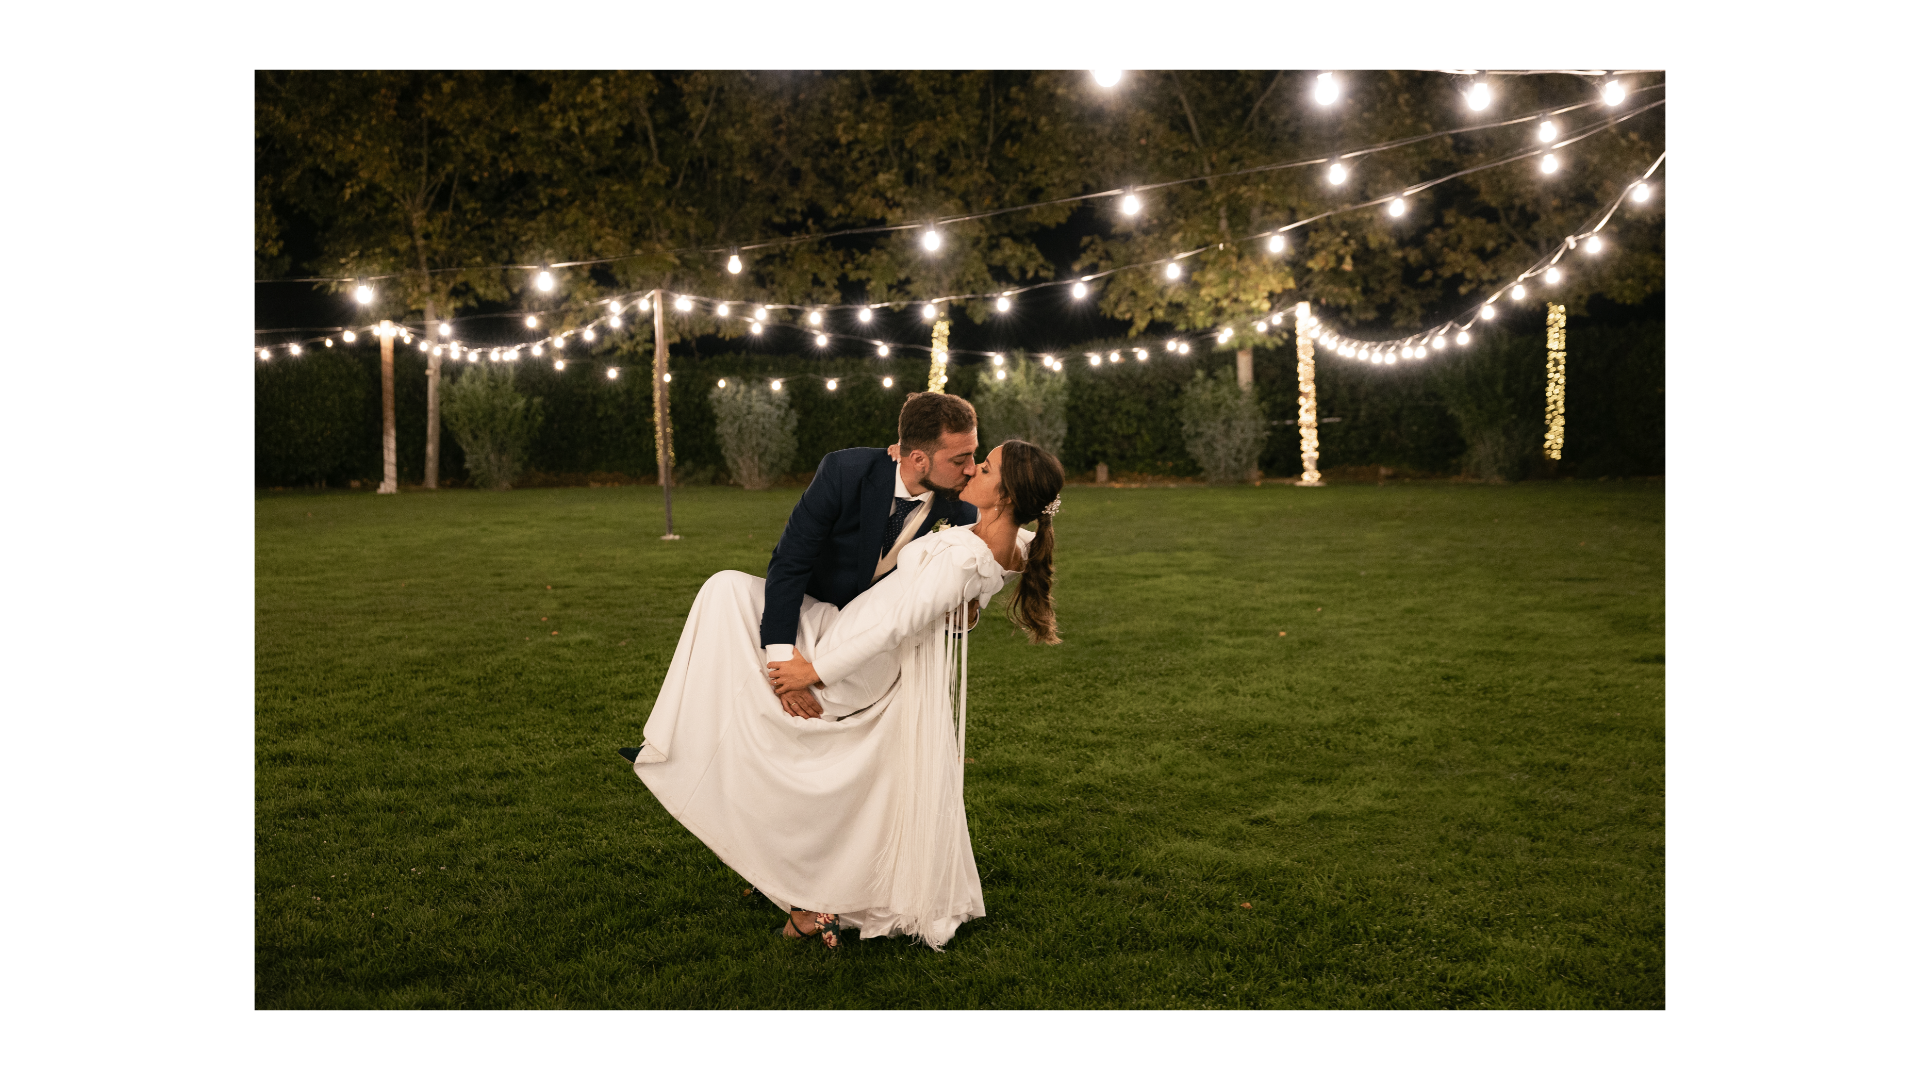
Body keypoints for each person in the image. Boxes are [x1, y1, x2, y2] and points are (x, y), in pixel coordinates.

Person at [622, 431, 1066, 951]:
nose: (972, 472)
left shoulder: (967, 554)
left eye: (985, 469)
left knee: (724, 599)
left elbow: (893, 626)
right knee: (725, 593)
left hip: (855, 653)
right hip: (847, 627)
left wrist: (814, 672)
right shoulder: (1009, 542)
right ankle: (694, 763)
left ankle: (682, 756)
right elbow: (958, 605)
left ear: (1008, 496)